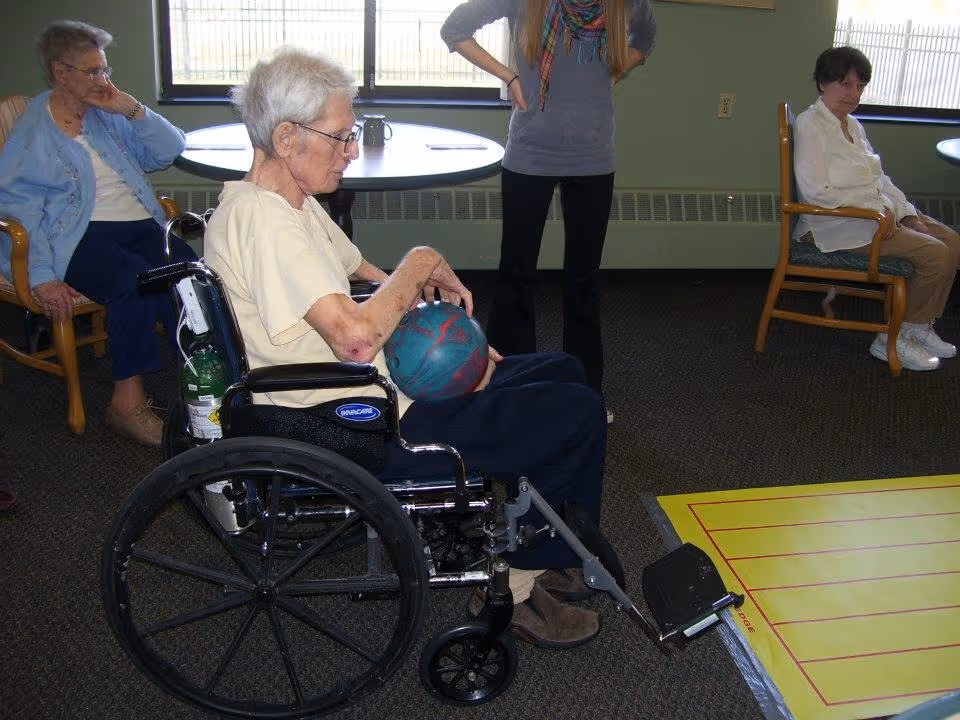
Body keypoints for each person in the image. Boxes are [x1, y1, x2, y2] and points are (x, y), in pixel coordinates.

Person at [203, 47, 608, 650]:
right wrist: (420, 261)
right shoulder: (265, 226)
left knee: (563, 369)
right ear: (287, 138)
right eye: (339, 137)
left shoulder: (293, 207)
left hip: (377, 391)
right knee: (572, 412)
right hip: (358, 425)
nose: (350, 150)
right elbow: (358, 335)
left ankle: (550, 546)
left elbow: (366, 276)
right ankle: (522, 585)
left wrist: (456, 343)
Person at [441, 0, 657, 423]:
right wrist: (509, 76)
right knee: (516, 275)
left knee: (583, 280)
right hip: (530, 155)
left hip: (593, 158)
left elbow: (646, 38)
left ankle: (585, 391)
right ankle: (512, 387)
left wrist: (614, 71)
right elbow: (455, 28)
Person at [0, 20, 196, 446]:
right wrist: (42, 275)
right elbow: (19, 208)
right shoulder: (35, 131)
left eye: (105, 69)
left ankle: (202, 378)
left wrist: (132, 108)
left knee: (192, 274)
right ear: (60, 73)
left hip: (139, 222)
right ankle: (126, 405)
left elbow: (169, 150)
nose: (103, 80)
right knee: (134, 283)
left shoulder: (109, 112)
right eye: (93, 72)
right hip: (78, 235)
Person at [794, 46, 960, 372]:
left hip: (874, 215)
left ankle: (917, 326)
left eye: (859, 86)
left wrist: (907, 212)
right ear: (822, 84)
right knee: (935, 255)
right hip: (835, 225)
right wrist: (880, 212)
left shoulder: (852, 125)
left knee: (952, 242)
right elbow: (817, 192)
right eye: (845, 84)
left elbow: (879, 179)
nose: (853, 93)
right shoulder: (810, 124)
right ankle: (891, 339)